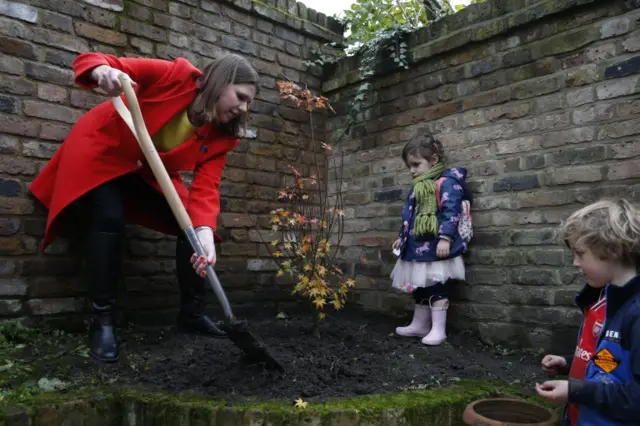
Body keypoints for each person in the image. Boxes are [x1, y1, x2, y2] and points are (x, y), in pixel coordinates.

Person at [28, 52, 259, 363]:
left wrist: (203, 231)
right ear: (220, 82)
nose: (243, 108)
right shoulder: (175, 75)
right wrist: (103, 72)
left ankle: (192, 314)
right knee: (108, 217)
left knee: (191, 231)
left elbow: (206, 189)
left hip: (144, 170)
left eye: (248, 103)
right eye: (240, 97)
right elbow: (92, 59)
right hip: (102, 151)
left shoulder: (222, 137)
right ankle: (103, 320)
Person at [535, 199, 640, 425]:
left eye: (580, 253)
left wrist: (577, 391)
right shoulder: (606, 299)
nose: (575, 263)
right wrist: (568, 362)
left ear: (612, 250)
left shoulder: (635, 314)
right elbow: (611, 362)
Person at [390, 134, 469, 346]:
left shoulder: (446, 183)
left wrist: (445, 238)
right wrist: (402, 237)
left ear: (433, 160)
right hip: (416, 249)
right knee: (420, 287)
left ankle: (438, 329)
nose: (412, 170)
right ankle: (419, 324)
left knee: (436, 286)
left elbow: (450, 211)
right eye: (409, 166)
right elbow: (410, 215)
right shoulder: (419, 187)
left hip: (435, 249)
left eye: (416, 164)